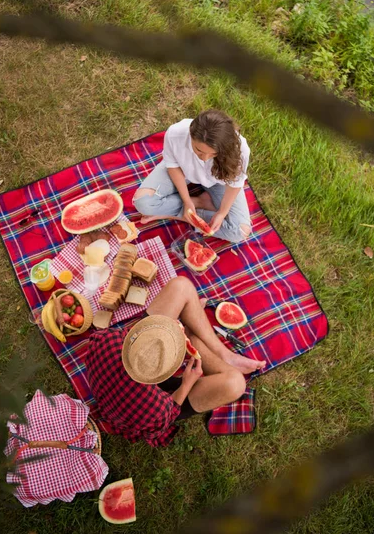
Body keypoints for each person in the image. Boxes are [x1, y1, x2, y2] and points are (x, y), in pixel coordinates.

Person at [85, 277, 266, 447]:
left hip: (124, 367)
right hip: (146, 404)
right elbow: (168, 413)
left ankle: (224, 355)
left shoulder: (105, 340)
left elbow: (126, 336)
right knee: (235, 384)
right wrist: (186, 384)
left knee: (182, 286)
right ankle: (193, 336)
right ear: (170, 370)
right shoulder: (156, 408)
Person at [133, 109, 252, 243]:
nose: (205, 158)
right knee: (142, 202)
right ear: (190, 135)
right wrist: (187, 201)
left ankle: (185, 211)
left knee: (240, 232)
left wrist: (221, 213)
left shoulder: (239, 149)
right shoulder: (175, 134)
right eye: (199, 150)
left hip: (219, 182)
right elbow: (173, 166)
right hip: (183, 171)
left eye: (213, 154)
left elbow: (235, 184)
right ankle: (197, 204)